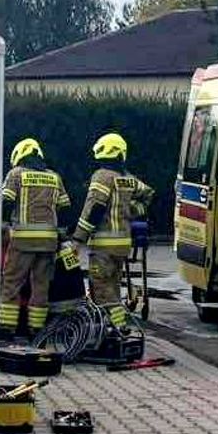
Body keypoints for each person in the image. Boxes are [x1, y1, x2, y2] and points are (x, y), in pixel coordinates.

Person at [72, 133, 154, 332]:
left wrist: (77, 239)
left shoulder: (102, 176)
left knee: (101, 288)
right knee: (113, 287)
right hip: (122, 244)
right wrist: (134, 210)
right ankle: (113, 327)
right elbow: (149, 194)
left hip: (103, 245)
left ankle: (118, 327)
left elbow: (94, 208)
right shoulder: (129, 179)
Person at [0, 138, 69, 342]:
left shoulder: (16, 174)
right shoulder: (54, 177)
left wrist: (2, 226)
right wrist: (61, 233)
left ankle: (6, 328)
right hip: (48, 241)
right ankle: (36, 330)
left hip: (22, 239)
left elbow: (7, 201)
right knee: (41, 286)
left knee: (12, 282)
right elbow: (65, 207)